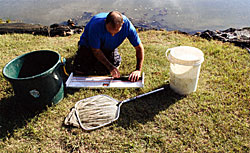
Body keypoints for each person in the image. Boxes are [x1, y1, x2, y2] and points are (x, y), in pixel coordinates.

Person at [73, 11, 144, 82]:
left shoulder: (128, 26)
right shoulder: (96, 25)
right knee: (80, 70)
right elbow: (96, 50)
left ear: (122, 24)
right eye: (110, 31)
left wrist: (138, 70)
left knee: (108, 69)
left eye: (116, 32)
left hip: (109, 47)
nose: (112, 35)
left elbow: (139, 48)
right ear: (105, 22)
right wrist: (110, 67)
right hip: (88, 45)